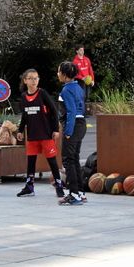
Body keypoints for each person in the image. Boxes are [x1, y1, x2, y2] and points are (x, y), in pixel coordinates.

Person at [15, 68, 65, 198]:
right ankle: (29, 186)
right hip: (32, 135)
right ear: (25, 80)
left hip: (46, 133)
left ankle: (59, 185)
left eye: (36, 78)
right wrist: (20, 130)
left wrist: (55, 129)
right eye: (30, 78)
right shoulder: (23, 97)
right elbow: (24, 116)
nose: (34, 81)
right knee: (31, 161)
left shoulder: (42, 94)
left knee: (52, 161)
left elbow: (54, 111)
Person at [57, 61, 87, 206]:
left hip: (73, 125)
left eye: (58, 72)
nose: (57, 74)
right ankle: (80, 193)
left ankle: (73, 194)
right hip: (81, 125)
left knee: (68, 160)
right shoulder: (79, 87)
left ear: (64, 75)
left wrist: (68, 131)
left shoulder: (66, 90)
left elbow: (71, 111)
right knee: (74, 158)